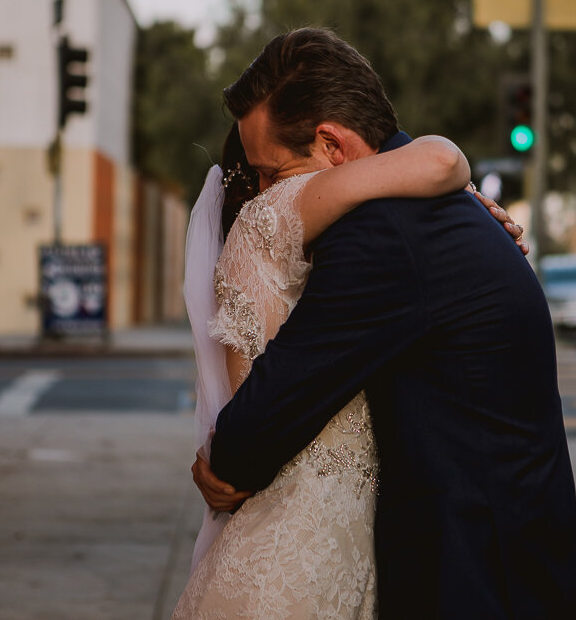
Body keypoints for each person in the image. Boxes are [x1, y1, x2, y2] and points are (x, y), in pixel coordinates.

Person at [193, 28, 576, 619]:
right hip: (520, 572)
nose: (259, 199)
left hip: (478, 586)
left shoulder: (382, 234)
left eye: (270, 174)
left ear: (332, 146)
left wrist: (221, 465)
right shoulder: (444, 208)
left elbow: (277, 403)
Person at [176, 118, 507, 617]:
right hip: (292, 557)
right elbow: (254, 423)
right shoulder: (270, 224)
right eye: (263, 176)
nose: (274, 191)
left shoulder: (354, 254)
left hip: (371, 550)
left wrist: (461, 205)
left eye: (276, 172)